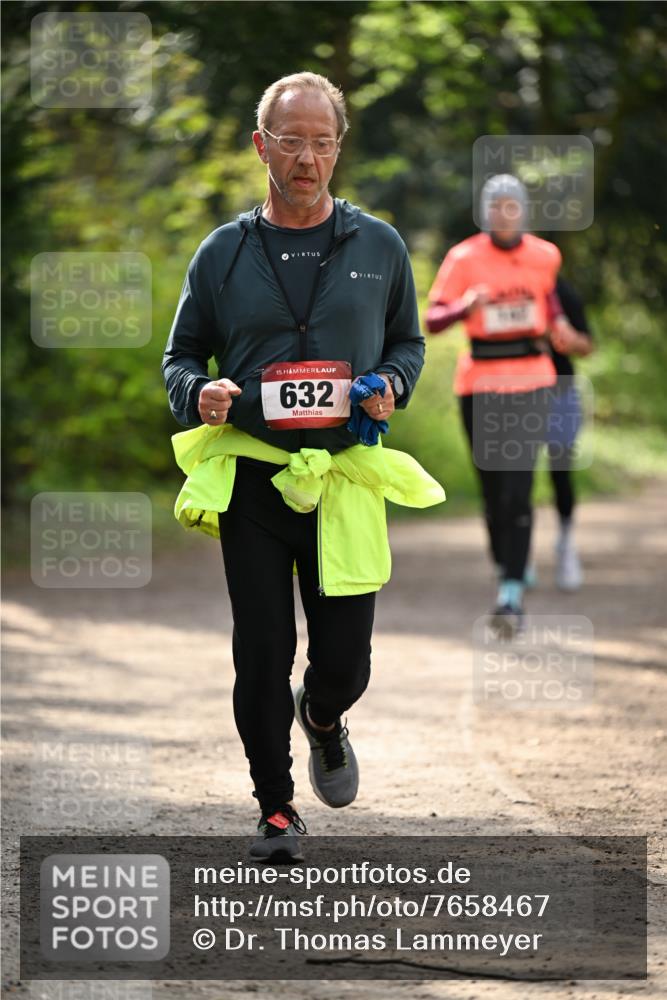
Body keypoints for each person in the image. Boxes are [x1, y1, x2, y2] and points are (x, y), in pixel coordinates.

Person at [163, 72, 444, 860]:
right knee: (261, 649)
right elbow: (180, 357)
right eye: (291, 141)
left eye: (322, 143)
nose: (307, 158)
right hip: (254, 476)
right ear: (262, 146)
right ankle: (276, 808)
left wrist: (391, 383)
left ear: (338, 150)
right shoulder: (222, 252)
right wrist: (198, 393)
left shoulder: (378, 245)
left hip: (343, 476)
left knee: (344, 664)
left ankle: (321, 716)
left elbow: (407, 342)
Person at [425, 174, 581, 635]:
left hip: (533, 379)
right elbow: (433, 318)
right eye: (497, 206)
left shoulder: (545, 255)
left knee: (518, 486)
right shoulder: (464, 257)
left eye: (513, 206)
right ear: (485, 211)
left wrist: (559, 325)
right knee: (493, 489)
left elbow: (546, 298)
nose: (505, 214)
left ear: (524, 211)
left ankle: (511, 592)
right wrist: (465, 306)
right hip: (480, 383)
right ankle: (506, 560)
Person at [545, 275, 594, 590]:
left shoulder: (561, 290)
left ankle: (565, 543)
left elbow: (587, 344)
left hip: (559, 391)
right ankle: (515, 557)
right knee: (513, 478)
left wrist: (566, 338)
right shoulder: (498, 281)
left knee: (561, 471)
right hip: (511, 392)